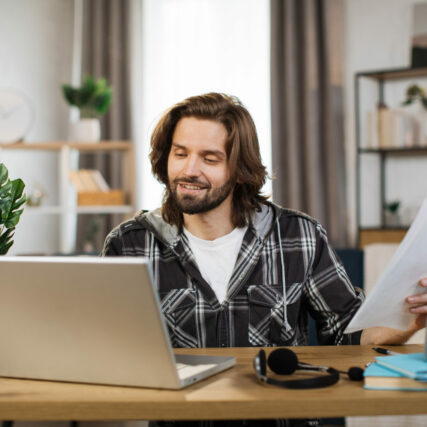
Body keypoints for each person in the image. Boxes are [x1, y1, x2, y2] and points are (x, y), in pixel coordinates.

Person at [102, 93, 426, 425]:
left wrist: (406, 322)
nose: (189, 169)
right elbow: (105, 349)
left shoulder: (299, 236)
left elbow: (347, 333)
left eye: (210, 159)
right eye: (180, 153)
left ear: (239, 169)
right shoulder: (130, 245)